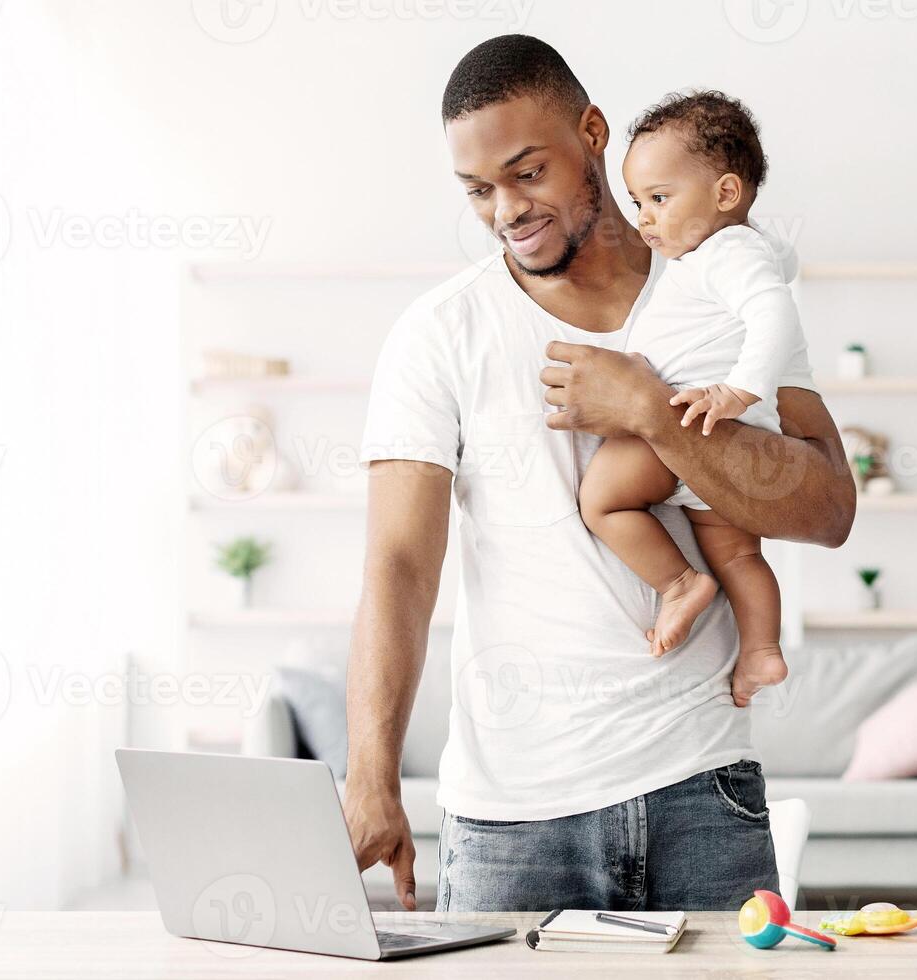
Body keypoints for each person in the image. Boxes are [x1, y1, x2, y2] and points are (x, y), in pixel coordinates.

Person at [344, 34, 854, 913]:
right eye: (478, 191)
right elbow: (399, 565)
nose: (507, 209)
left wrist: (653, 412)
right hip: (511, 820)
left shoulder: (730, 289)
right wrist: (371, 777)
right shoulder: (439, 333)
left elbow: (827, 506)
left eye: (528, 172)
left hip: (701, 788)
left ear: (591, 133)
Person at [580, 89, 801, 708]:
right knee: (739, 555)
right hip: (722, 443)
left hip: (690, 423)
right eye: (636, 201)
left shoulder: (725, 252)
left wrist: (739, 390)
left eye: (658, 198)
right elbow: (780, 273)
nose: (643, 217)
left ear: (726, 195)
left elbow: (773, 313)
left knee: (601, 500)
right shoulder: (740, 252)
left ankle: (678, 583)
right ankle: (760, 651)